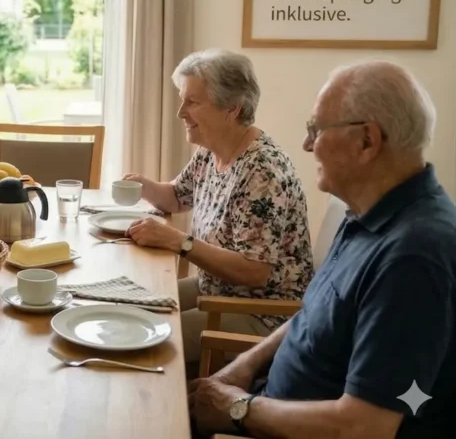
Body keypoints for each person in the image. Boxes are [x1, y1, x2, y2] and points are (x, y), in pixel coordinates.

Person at [188, 60, 455, 439]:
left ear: (367, 141)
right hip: (267, 404)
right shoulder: (367, 212)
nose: (307, 144)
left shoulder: (414, 257)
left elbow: (365, 427)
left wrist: (238, 408)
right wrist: (243, 366)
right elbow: (315, 314)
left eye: (316, 130)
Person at [122, 49, 313, 363]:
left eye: (192, 102)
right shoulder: (212, 151)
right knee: (130, 308)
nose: (181, 113)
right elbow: (176, 196)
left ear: (231, 109)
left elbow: (254, 271)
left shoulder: (262, 172)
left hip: (263, 314)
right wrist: (144, 186)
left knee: (143, 336)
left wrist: (178, 241)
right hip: (217, 290)